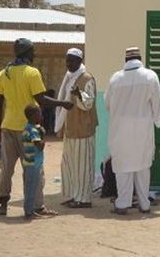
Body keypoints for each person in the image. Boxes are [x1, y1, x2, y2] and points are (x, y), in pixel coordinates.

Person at [0, 37, 72, 216]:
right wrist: (63, 103)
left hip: (7, 127)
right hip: (28, 129)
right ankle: (37, 206)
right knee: (34, 168)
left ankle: (2, 204)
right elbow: (41, 99)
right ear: (27, 53)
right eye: (33, 51)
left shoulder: (4, 73)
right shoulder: (32, 73)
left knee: (6, 168)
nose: (34, 54)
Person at [105, 46, 160, 215]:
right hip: (143, 131)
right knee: (143, 169)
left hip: (120, 132)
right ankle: (144, 204)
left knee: (122, 169)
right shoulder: (150, 76)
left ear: (126, 60)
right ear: (140, 58)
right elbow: (158, 104)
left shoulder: (115, 78)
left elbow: (107, 104)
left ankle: (122, 204)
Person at [55, 48, 98, 208]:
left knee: (82, 166)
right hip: (70, 128)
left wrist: (78, 94)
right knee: (70, 164)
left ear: (80, 61)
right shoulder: (69, 77)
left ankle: (84, 199)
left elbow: (88, 103)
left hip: (83, 129)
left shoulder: (87, 78)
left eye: (72, 60)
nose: (68, 63)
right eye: (67, 60)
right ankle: (74, 195)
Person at [21, 105, 49, 220]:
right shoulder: (33, 130)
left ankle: (30, 210)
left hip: (30, 162)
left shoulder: (27, 127)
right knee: (31, 188)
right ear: (33, 116)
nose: (41, 116)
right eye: (39, 114)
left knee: (30, 187)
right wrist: (43, 135)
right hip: (33, 163)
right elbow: (40, 146)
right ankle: (29, 212)